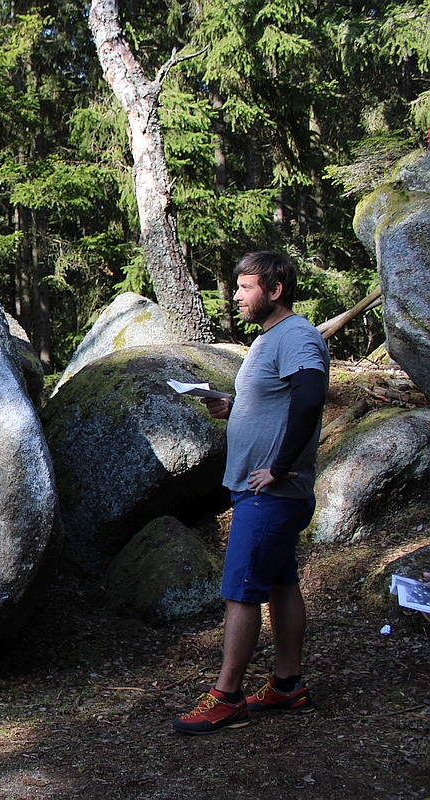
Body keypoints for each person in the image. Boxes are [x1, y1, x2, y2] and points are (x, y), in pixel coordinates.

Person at [172, 250, 330, 735]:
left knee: (241, 592)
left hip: (270, 494)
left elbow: (309, 397)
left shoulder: (297, 335)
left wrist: (279, 468)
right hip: (260, 492)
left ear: (274, 290)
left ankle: (227, 695)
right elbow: (278, 401)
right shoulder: (269, 341)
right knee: (282, 584)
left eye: (245, 287)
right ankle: (287, 684)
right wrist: (231, 404)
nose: (235, 296)